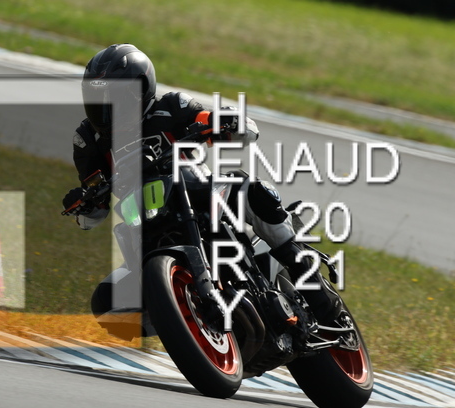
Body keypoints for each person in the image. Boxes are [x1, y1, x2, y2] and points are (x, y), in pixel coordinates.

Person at [62, 44, 340, 330]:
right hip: (142, 219)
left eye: (115, 96)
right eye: (98, 96)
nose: (106, 106)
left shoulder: (172, 106)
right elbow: (92, 211)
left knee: (254, 191)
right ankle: (184, 323)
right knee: (106, 302)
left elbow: (242, 130)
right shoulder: (88, 139)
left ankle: (314, 288)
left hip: (197, 190)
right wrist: (83, 202)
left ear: (141, 89)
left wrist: (225, 122)